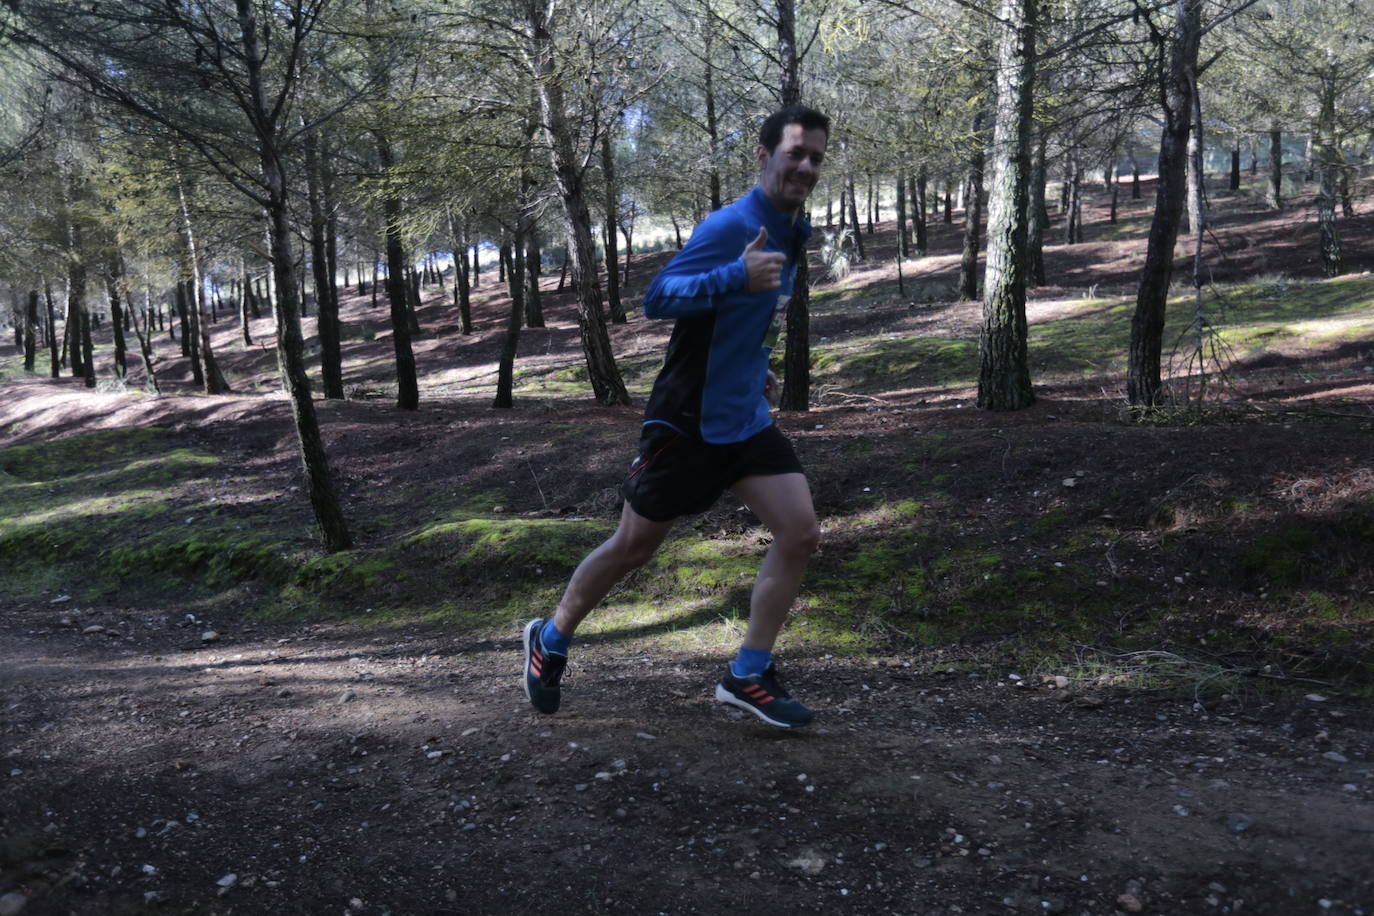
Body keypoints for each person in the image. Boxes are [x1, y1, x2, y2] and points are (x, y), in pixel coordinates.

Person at [522, 104, 830, 729]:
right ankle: (549, 640)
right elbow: (656, 299)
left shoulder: (792, 231)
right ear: (764, 156)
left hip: (743, 418)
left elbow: (751, 320)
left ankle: (746, 674)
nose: (805, 166)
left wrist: (757, 367)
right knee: (634, 547)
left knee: (799, 532)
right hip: (687, 421)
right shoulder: (731, 226)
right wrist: (733, 275)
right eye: (795, 152)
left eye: (816, 157)